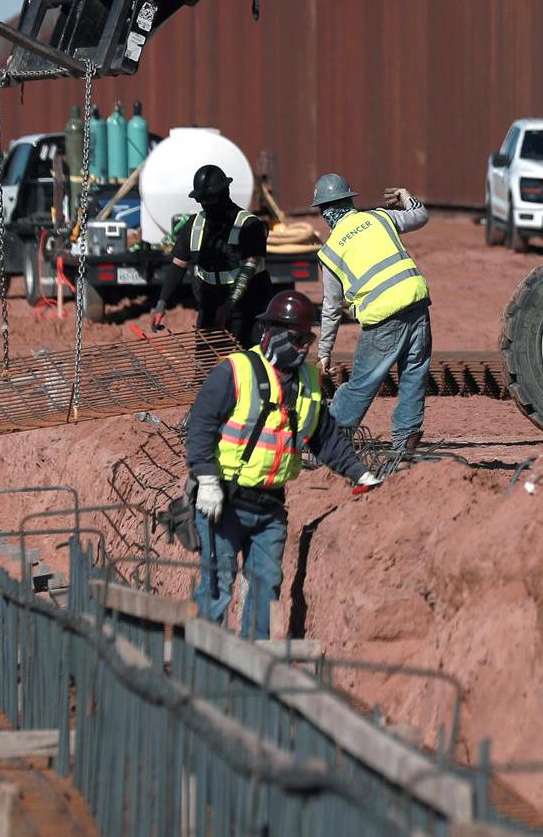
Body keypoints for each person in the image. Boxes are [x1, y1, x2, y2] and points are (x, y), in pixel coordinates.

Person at [186, 290, 377, 640]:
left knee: (266, 588)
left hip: (269, 507)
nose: (304, 345)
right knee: (216, 586)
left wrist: (359, 472)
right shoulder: (236, 371)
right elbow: (199, 426)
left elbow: (325, 438)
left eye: (307, 337)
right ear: (272, 333)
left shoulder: (308, 382)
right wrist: (206, 479)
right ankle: (203, 670)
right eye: (297, 338)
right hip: (223, 503)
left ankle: (253, 669)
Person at [311, 174, 432, 454]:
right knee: (414, 373)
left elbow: (331, 308)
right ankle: (406, 442)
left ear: (323, 211)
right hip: (416, 302)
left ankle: (329, 439)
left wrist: (324, 352)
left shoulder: (330, 251)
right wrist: (406, 197)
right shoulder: (380, 217)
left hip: (383, 317)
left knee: (362, 383)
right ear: (350, 200)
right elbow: (420, 215)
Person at [152, 164, 275, 349]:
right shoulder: (194, 225)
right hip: (210, 304)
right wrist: (162, 303)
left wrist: (229, 305)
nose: (207, 204)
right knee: (206, 363)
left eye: (211, 198)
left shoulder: (248, 225)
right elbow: (178, 265)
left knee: (250, 361)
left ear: (224, 192)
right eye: (202, 199)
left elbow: (249, 268)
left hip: (248, 306)